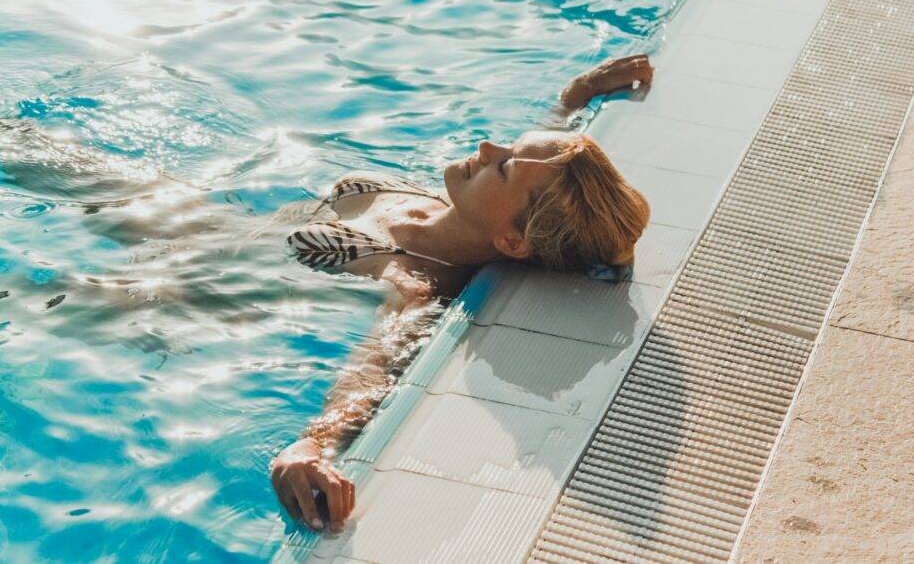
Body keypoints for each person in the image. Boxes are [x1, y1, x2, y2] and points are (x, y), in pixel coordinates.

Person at [269, 53, 655, 533]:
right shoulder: (456, 203)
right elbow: (534, 172)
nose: (490, 147)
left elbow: (372, 372)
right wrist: (575, 99)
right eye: (510, 146)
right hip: (191, 221)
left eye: (504, 167)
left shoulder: (414, 285)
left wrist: (310, 446)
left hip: (170, 274)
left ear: (512, 243)